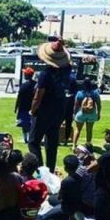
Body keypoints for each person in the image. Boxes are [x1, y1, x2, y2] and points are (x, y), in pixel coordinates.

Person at [28, 40, 72, 172]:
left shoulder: (45, 74)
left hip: (44, 110)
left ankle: (41, 170)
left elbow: (38, 95)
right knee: (52, 141)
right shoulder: (66, 71)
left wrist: (33, 110)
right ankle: (51, 169)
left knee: (33, 141)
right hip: (59, 109)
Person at [38, 155, 87, 220]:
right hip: (77, 205)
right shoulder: (79, 178)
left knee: (44, 217)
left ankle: (66, 218)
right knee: (51, 199)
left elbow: (60, 197)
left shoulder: (66, 181)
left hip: (66, 208)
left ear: (66, 168)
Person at [72, 78, 102, 147]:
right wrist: (98, 113)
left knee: (78, 129)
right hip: (92, 113)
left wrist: (74, 113)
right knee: (89, 130)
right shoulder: (95, 93)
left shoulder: (80, 93)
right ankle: (88, 144)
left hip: (81, 113)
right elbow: (99, 104)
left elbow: (76, 105)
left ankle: (74, 145)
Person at [14, 68, 36, 143]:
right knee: (31, 124)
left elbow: (19, 97)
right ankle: (30, 137)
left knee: (24, 124)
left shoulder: (23, 86)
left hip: (23, 107)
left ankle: (25, 138)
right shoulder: (36, 85)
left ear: (27, 75)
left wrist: (16, 107)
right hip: (33, 107)